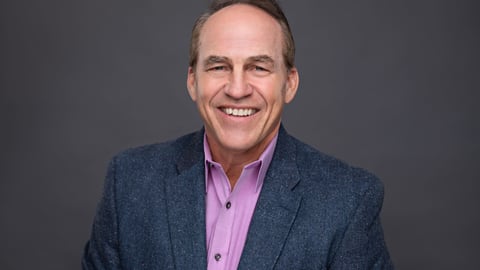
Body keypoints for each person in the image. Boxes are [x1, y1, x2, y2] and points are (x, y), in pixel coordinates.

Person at [82, 0, 393, 269]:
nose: (237, 89)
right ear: (193, 81)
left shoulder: (347, 201)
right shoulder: (129, 183)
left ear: (289, 84)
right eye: (218, 67)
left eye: (258, 67)